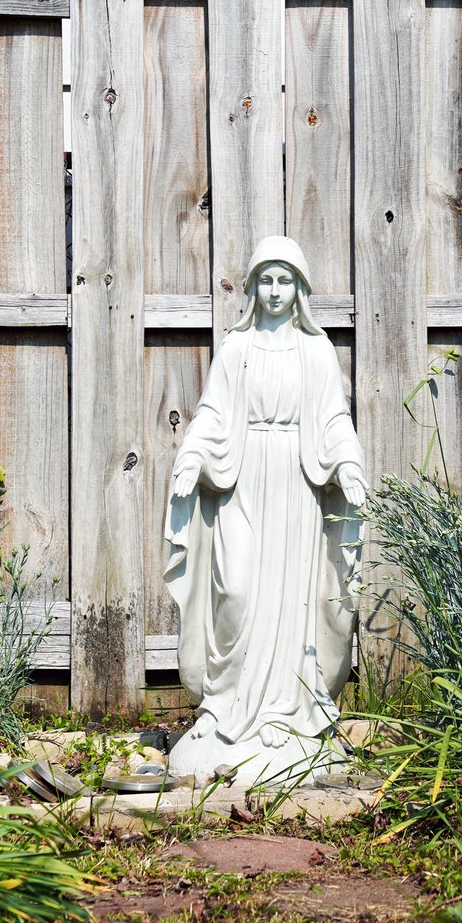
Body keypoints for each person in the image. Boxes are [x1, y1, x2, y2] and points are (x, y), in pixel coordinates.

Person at [164, 236, 368, 780]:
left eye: (285, 281)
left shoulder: (315, 352)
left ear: (298, 290)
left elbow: (332, 420)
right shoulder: (237, 349)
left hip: (298, 488)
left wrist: (347, 462)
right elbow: (210, 413)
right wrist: (192, 457)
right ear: (252, 288)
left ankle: (289, 714)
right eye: (266, 281)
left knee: (291, 601)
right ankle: (223, 708)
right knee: (235, 590)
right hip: (243, 480)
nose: (275, 292)